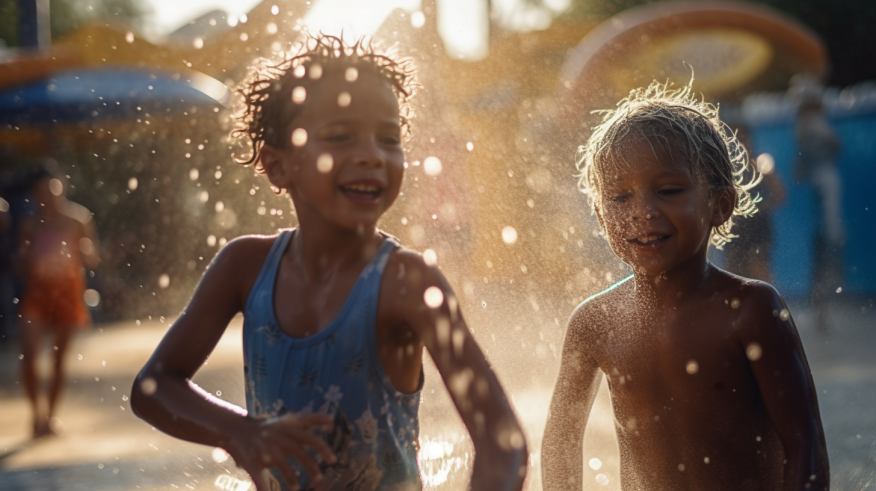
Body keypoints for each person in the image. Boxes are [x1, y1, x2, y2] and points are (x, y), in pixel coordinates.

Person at [130, 34, 527, 491]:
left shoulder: (406, 283)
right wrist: (239, 431)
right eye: (340, 137)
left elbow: (503, 440)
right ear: (278, 167)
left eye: (388, 138)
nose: (371, 155)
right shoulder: (244, 267)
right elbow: (154, 386)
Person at [542, 82, 829, 490]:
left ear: (720, 204)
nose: (642, 211)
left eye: (669, 190)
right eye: (620, 197)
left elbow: (806, 444)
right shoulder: (595, 322)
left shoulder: (749, 310)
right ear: (599, 214)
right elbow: (561, 442)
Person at [18, 165, 100, 437]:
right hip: (38, 294)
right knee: (29, 355)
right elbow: (20, 261)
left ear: (61, 187)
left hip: (68, 293)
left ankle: (50, 418)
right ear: (35, 195)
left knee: (58, 360)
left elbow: (93, 257)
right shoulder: (30, 224)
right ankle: (35, 415)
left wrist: (85, 253)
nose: (48, 196)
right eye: (41, 192)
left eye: (52, 189)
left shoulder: (79, 219)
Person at [791, 74, 844, 332]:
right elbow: (799, 168)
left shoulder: (816, 127)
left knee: (825, 253)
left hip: (823, 214)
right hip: (815, 213)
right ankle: (821, 313)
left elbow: (835, 146)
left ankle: (823, 311)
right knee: (819, 260)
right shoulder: (804, 130)